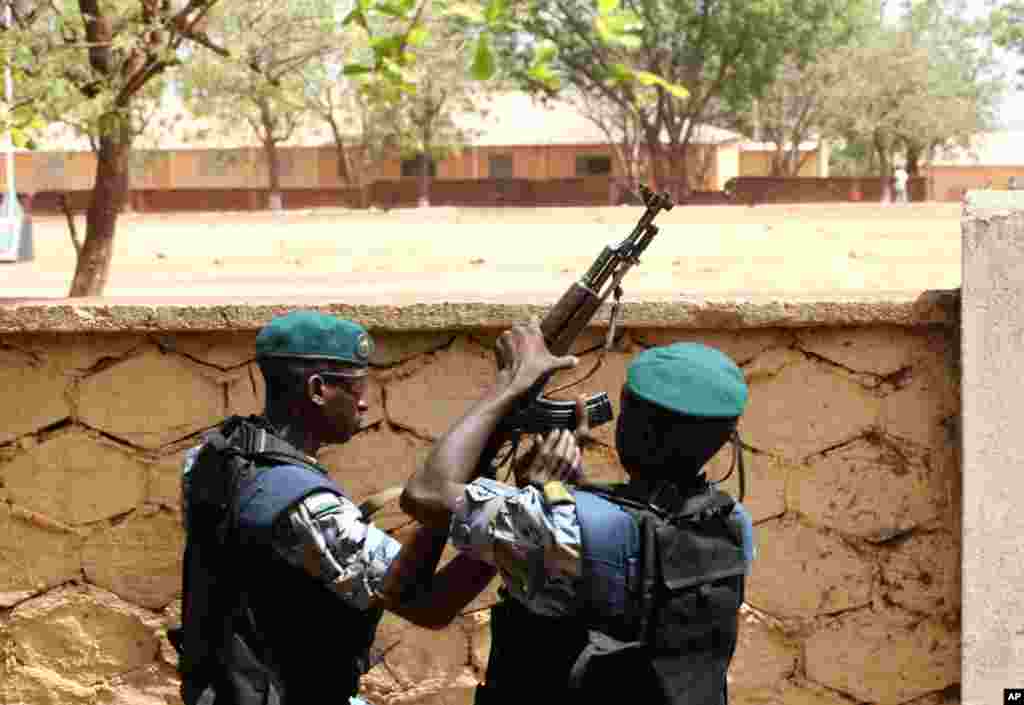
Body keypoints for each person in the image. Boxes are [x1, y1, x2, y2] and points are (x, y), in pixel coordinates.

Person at [401, 317, 756, 705]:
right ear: (725, 439)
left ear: (629, 425)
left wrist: (509, 385)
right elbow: (627, 553)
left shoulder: (561, 526)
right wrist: (557, 494)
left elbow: (424, 493)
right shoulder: (733, 525)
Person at [175, 311, 497, 705]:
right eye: (356, 388)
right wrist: (515, 527)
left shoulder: (213, 456)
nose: (364, 403)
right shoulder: (306, 506)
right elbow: (429, 604)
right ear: (317, 389)